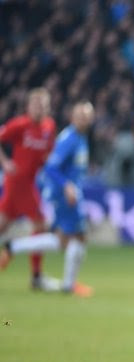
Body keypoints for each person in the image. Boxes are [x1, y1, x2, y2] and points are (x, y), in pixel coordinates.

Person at [0, 102, 96, 297]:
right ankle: (68, 285)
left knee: (62, 240)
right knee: (78, 235)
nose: (83, 119)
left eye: (86, 116)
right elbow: (51, 167)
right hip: (64, 194)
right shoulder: (69, 139)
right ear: (72, 118)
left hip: (69, 192)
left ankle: (13, 247)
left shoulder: (79, 138)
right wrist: (67, 186)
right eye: (80, 115)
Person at [0, 88, 57, 289]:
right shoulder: (20, 125)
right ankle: (36, 277)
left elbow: (47, 154)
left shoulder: (49, 126)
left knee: (3, 225)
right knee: (40, 225)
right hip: (17, 182)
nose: (40, 108)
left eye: (43, 104)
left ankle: (36, 276)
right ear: (29, 106)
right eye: (36, 104)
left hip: (27, 183)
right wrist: (5, 162)